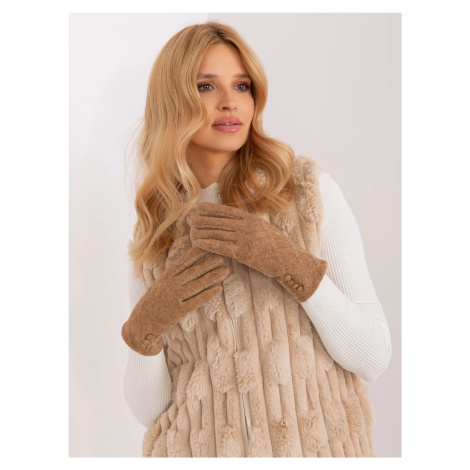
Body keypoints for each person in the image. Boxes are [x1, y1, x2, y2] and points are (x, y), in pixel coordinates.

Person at [121, 21, 392, 458]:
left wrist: (290, 264)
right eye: (206, 86)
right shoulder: (156, 230)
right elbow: (149, 410)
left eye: (242, 85)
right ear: (172, 100)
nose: (230, 101)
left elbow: (373, 356)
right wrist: (145, 328)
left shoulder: (306, 192)